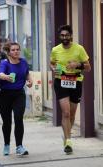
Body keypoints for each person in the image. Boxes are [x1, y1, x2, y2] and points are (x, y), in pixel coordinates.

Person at [50, 25, 91, 154]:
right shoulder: (55, 50)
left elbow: (88, 67)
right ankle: (68, 141)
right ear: (59, 36)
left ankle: (67, 135)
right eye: (62, 35)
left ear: (71, 35)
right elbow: (52, 62)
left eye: (67, 35)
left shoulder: (79, 49)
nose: (64, 38)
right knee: (66, 113)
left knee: (72, 114)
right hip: (61, 82)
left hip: (76, 82)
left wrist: (77, 64)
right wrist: (53, 68)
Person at [0, 42, 32, 156]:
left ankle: (19, 146)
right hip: (4, 95)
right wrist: (6, 77)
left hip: (19, 94)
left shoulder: (23, 62)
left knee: (18, 118)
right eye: (13, 50)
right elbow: (0, 74)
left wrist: (30, 80)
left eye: (17, 49)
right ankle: (6, 144)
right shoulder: (4, 63)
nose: (16, 51)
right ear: (8, 52)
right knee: (7, 122)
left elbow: (27, 73)